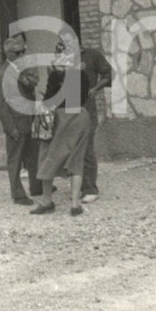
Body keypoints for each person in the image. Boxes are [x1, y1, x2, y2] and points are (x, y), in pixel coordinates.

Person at [55, 34, 113, 203]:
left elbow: (109, 74)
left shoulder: (92, 55)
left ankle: (91, 188)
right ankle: (79, 187)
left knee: (86, 148)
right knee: (73, 149)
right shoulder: (63, 58)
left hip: (87, 109)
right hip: (68, 109)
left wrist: (95, 88)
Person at [30, 64, 92, 217]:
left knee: (48, 156)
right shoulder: (82, 74)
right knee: (76, 159)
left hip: (60, 117)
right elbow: (86, 96)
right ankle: (75, 205)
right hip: (81, 115)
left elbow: (48, 101)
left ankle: (47, 202)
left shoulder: (55, 76)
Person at [0, 34, 41, 205]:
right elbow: (1, 103)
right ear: (10, 54)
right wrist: (9, 127)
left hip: (29, 119)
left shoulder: (21, 69)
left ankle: (37, 186)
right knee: (15, 159)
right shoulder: (2, 73)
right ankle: (18, 194)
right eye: (18, 52)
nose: (22, 54)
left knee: (33, 156)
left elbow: (32, 85)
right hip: (16, 123)